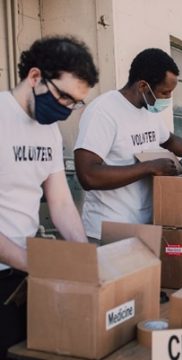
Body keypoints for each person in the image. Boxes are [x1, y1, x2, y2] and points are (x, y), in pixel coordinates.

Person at [0, 36, 98, 359]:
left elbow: (60, 204)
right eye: (64, 96)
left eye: (75, 103)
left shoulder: (50, 131)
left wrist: (85, 259)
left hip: (21, 276)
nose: (66, 109)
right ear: (35, 77)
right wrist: (36, 263)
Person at [74, 48, 182, 242]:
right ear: (143, 86)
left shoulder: (149, 110)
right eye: (164, 92)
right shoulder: (103, 111)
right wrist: (149, 167)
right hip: (110, 229)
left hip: (145, 226)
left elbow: (170, 140)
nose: (168, 99)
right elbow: (88, 176)